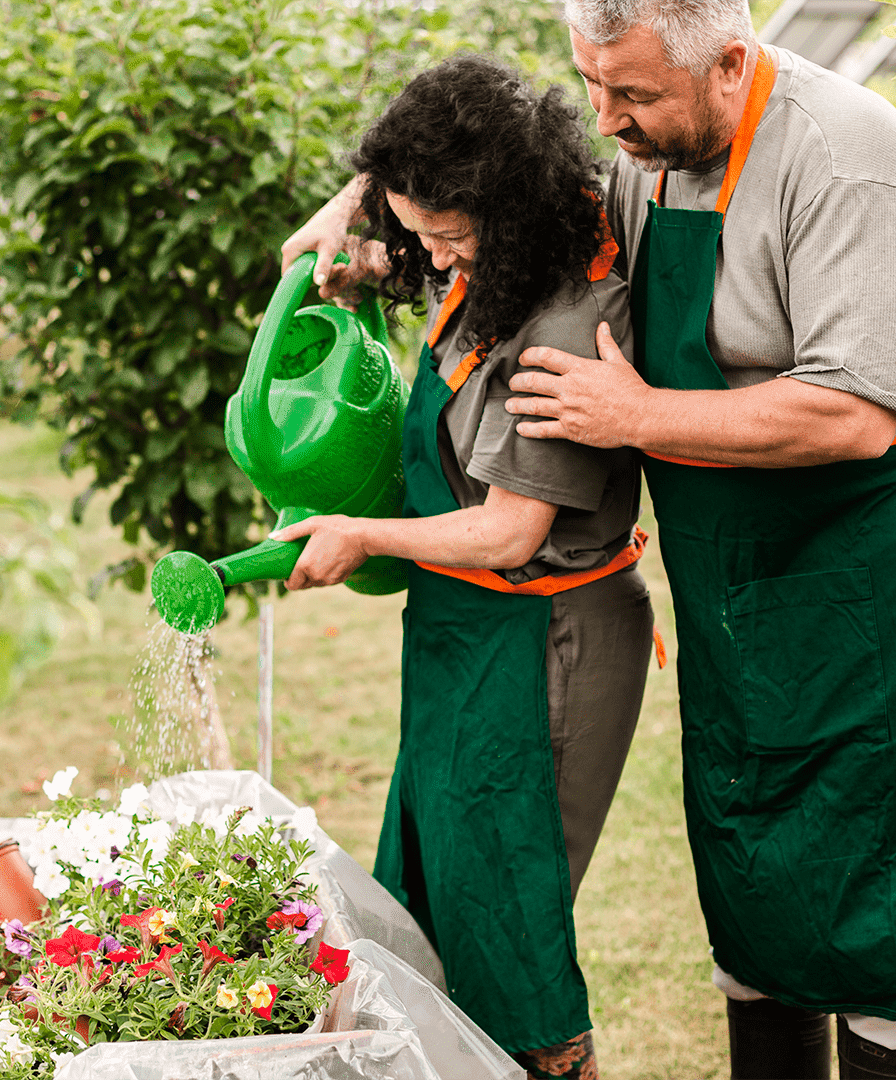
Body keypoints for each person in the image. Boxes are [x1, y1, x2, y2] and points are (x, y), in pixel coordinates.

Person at [284, 4, 896, 1080]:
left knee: (894, 895)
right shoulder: (644, 134)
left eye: (634, 97)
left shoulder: (849, 160)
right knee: (758, 885)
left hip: (877, 574)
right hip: (734, 578)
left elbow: (850, 413)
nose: (603, 120)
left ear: (730, 64)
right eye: (592, 86)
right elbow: (507, 160)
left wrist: (635, 417)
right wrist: (362, 195)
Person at [273, 55, 654, 1080]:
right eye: (418, 236)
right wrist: (352, 231)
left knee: (508, 914)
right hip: (459, 633)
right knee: (434, 893)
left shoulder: (568, 326)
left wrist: (360, 534)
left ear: (510, 211)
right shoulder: (486, 271)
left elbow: (507, 533)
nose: (430, 259)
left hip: (545, 638)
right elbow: (431, 244)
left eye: (446, 236)